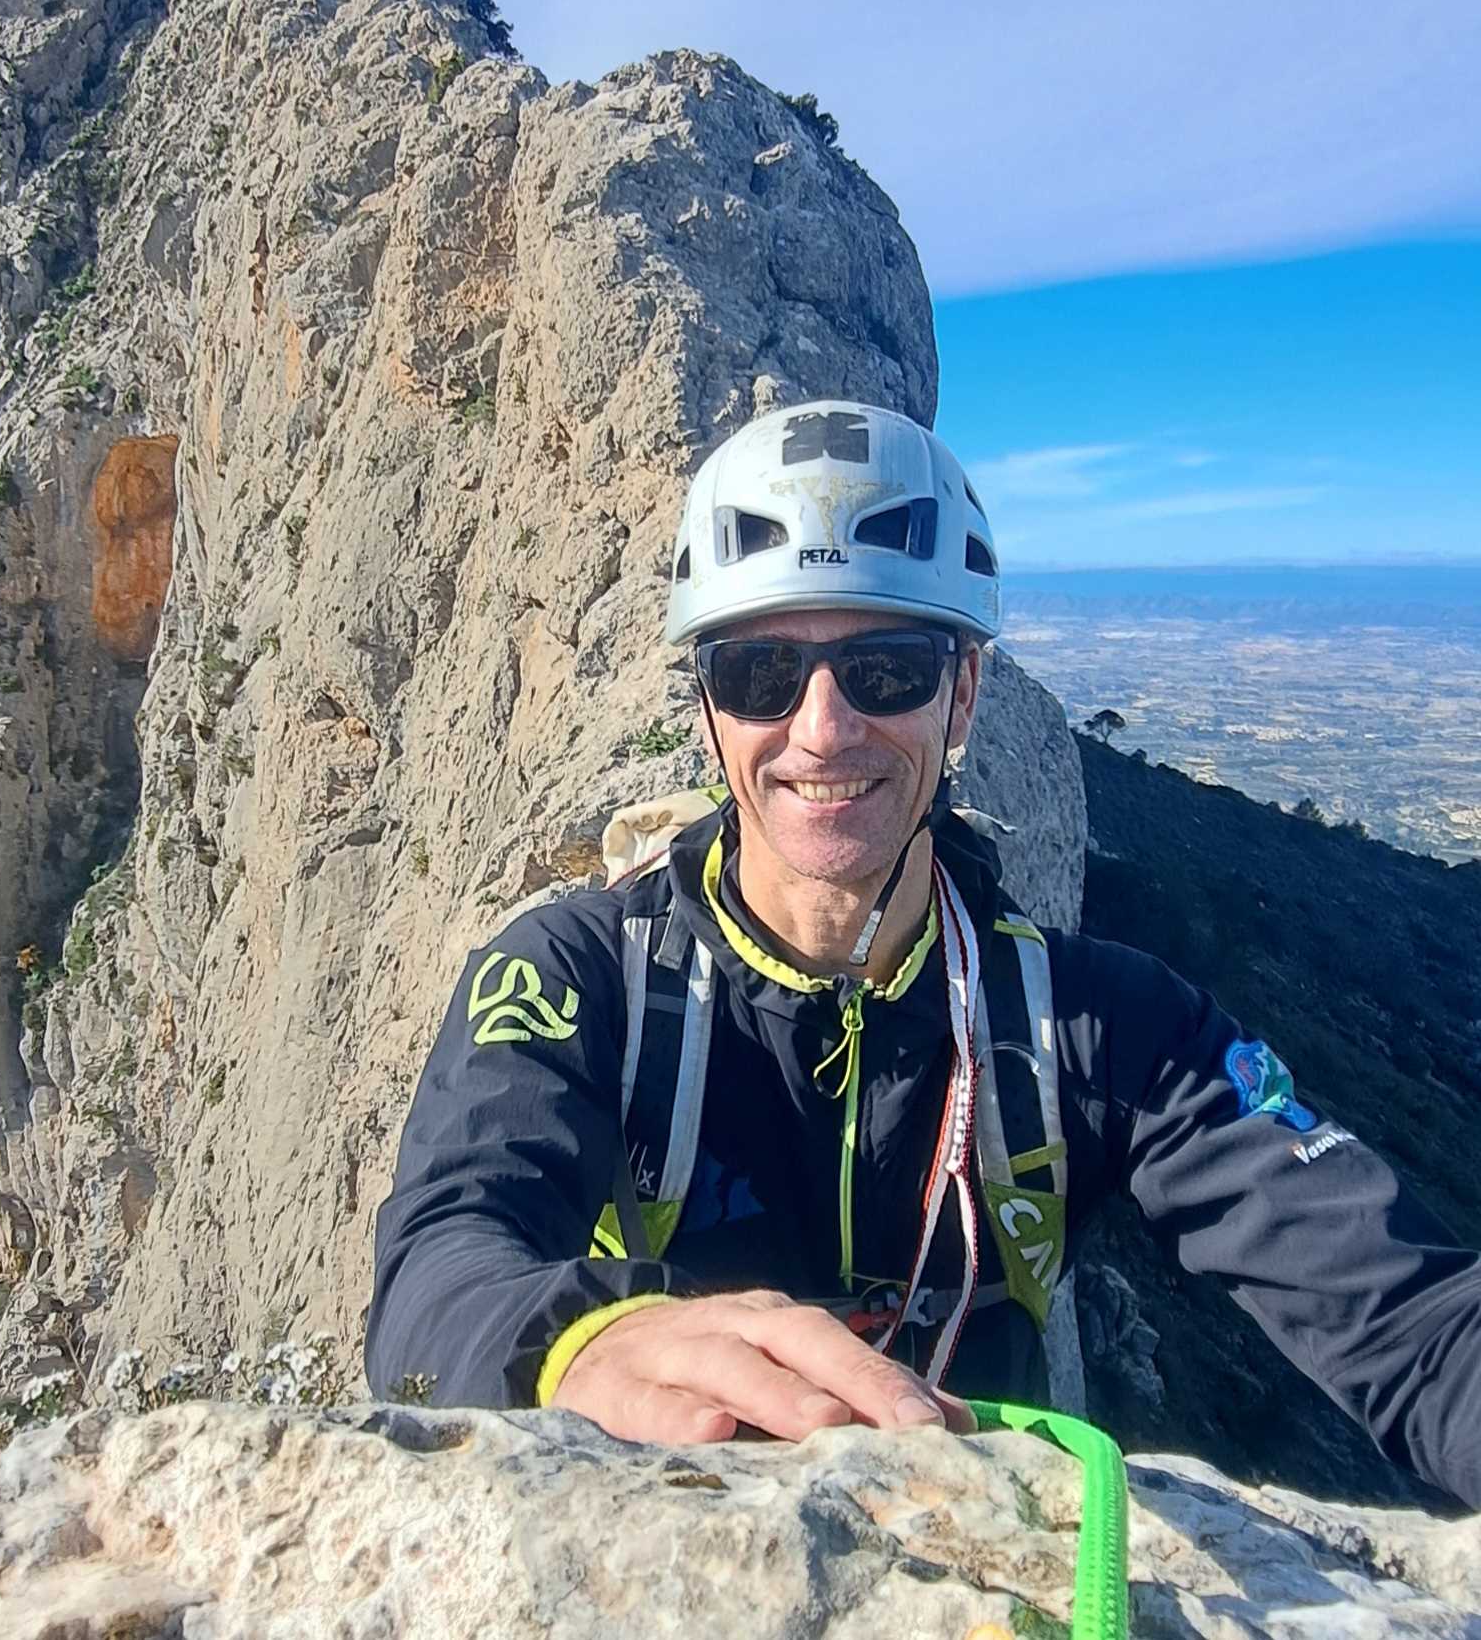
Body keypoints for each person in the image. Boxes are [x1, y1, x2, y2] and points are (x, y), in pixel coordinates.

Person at [366, 399, 1481, 1506]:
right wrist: (579, 1343)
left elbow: (1411, 1321)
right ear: (707, 709)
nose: (822, 728)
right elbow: (436, 1269)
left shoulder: (1097, 1028)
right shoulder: (578, 977)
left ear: (964, 692)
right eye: (760, 671)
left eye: (886, 667)